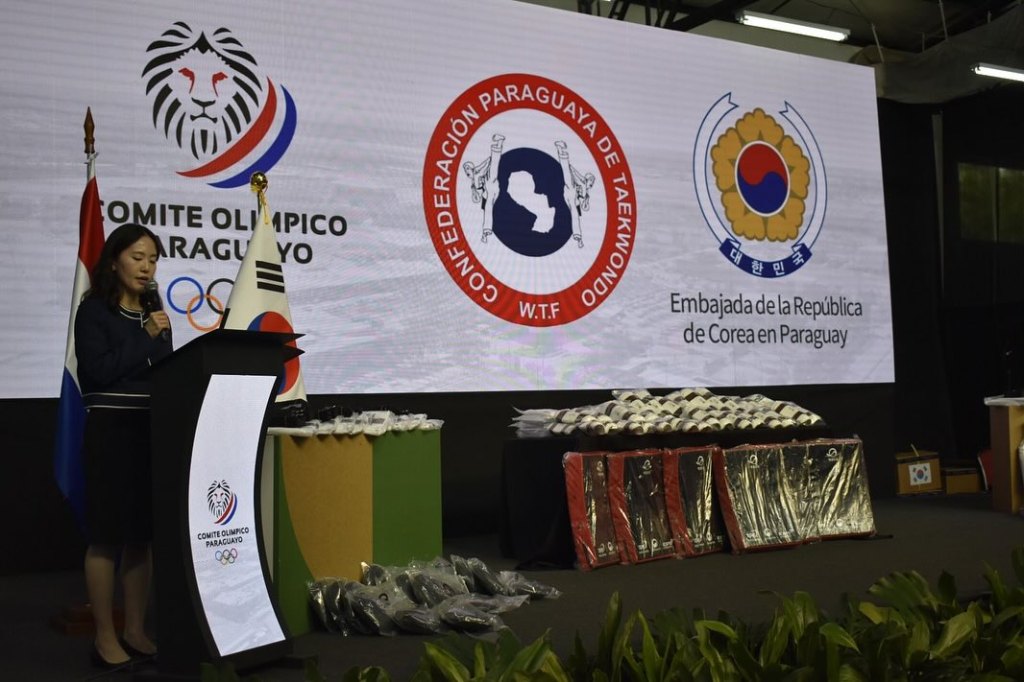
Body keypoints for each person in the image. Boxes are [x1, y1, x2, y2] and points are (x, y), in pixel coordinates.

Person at [74, 222, 172, 667]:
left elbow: (166, 373)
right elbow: (98, 372)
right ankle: (104, 636)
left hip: (150, 431)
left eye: (153, 259)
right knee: (106, 536)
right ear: (114, 261)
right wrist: (145, 336)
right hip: (110, 432)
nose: (147, 267)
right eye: (138, 257)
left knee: (141, 537)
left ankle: (135, 629)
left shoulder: (155, 313)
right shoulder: (95, 311)